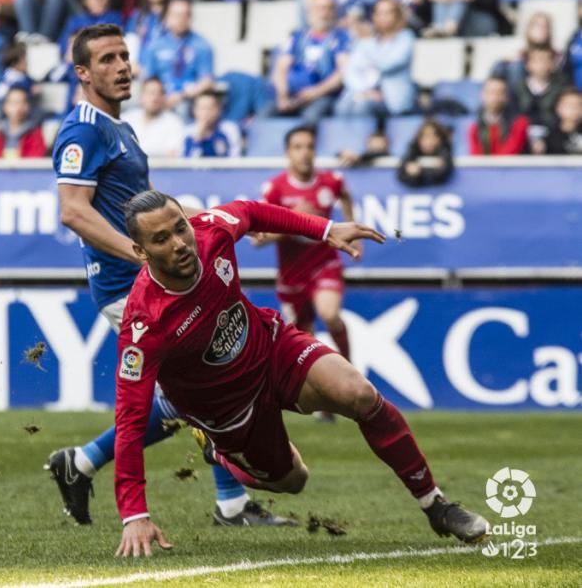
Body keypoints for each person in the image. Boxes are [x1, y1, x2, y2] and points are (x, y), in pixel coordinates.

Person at [112, 190, 489, 557]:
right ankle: (220, 452)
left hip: (272, 348)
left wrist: (326, 230)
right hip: (229, 410)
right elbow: (130, 420)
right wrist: (135, 514)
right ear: (141, 253)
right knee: (293, 480)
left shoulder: (212, 230)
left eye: (181, 228)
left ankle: (436, 506)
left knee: (358, 393)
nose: (180, 243)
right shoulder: (145, 324)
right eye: (162, 239)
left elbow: (252, 211)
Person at [48, 23, 288, 528]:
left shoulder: (121, 129)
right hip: (128, 289)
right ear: (83, 73)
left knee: (195, 389)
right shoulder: (83, 129)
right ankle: (229, 503)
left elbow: (153, 204)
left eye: (124, 56)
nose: (121, 67)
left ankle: (82, 463)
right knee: (204, 385)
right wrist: (141, 256)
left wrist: (205, 225)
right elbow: (73, 211)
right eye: (107, 59)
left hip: (150, 281)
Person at [253, 126, 356, 367]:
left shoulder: (331, 181)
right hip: (291, 273)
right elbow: (259, 239)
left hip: (324, 263)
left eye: (310, 147)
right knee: (304, 339)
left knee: (329, 314)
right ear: (288, 153)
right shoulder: (274, 189)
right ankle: (327, 392)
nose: (305, 153)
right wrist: (294, 219)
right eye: (298, 148)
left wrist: (354, 233)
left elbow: (346, 196)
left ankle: (350, 366)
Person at [271, 0, 349, 124]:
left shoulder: (341, 38)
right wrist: (282, 95)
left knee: (310, 118)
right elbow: (280, 69)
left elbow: (343, 72)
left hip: (325, 96)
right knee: (265, 115)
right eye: (320, 8)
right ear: (309, 11)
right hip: (293, 96)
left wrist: (316, 92)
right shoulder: (296, 37)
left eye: (329, 8)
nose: (324, 13)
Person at [335, 0, 416, 117]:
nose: (383, 17)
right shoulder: (367, 42)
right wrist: (364, 91)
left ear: (398, 16)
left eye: (388, 13)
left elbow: (386, 64)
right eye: (379, 13)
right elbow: (350, 70)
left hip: (392, 101)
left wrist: (367, 41)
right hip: (364, 93)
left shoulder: (406, 38)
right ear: (374, 16)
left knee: (362, 108)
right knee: (341, 108)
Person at [142, 0, 214, 119]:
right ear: (166, 17)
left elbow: (207, 81)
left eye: (185, 15)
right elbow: (148, 78)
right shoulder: (155, 46)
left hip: (188, 99)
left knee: (184, 108)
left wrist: (182, 95)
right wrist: (159, 98)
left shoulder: (202, 45)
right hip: (159, 97)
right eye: (176, 15)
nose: (181, 19)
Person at [121, 76, 184, 157]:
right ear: (141, 96)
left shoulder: (174, 123)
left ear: (163, 97)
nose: (155, 98)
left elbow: (173, 155)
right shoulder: (125, 119)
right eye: (151, 93)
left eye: (159, 93)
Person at [468, 77, 529, 156]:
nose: (494, 97)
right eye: (490, 92)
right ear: (482, 95)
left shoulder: (519, 123)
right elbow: (476, 158)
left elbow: (509, 154)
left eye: (499, 93)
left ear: (506, 97)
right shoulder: (474, 127)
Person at [0, 87, 46, 158]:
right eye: (14, 103)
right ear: (5, 106)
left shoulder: (35, 133)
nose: (18, 107)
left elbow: (35, 160)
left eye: (22, 102)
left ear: (27, 107)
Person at [58, 0, 124, 55]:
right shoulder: (75, 21)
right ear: (86, 0)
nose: (104, 1)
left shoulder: (114, 18)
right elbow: (63, 48)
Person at [183, 91, 242, 158]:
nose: (206, 112)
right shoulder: (187, 132)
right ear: (194, 110)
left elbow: (234, 159)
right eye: (202, 108)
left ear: (219, 110)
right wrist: (197, 138)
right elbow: (186, 163)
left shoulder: (229, 129)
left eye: (210, 108)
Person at [397, 118, 453, 187]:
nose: (429, 141)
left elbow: (444, 172)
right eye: (425, 136)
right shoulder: (413, 150)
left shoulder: (445, 150)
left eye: (433, 136)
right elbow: (402, 173)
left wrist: (420, 171)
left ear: (439, 139)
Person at [124, 0, 169, 74]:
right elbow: (131, 40)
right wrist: (132, 62)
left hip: (166, 71)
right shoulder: (137, 16)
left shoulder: (174, 14)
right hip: (139, 71)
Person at [533, 87, 582, 155]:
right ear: (559, 108)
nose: (574, 109)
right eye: (569, 105)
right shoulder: (550, 138)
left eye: (579, 105)